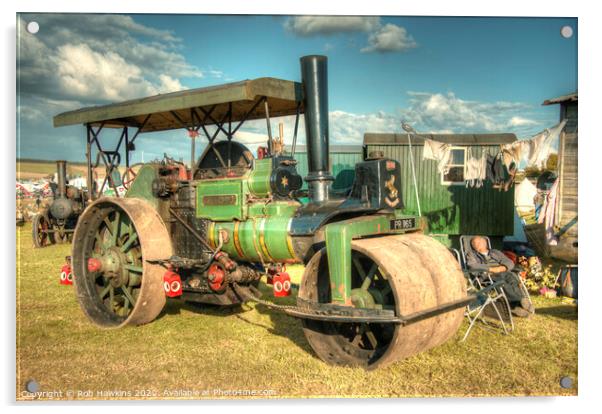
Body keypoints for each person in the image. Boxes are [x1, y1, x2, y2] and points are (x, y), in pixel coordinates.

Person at [466, 236, 535, 318]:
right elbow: (472, 266)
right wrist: (491, 269)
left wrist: (503, 268)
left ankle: (515, 306)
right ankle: (520, 301)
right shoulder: (472, 254)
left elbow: (509, 262)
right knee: (503, 283)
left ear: (485, 243)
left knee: (513, 278)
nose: (477, 244)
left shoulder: (495, 252)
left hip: (503, 271)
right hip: (488, 276)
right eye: (474, 243)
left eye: (480, 241)